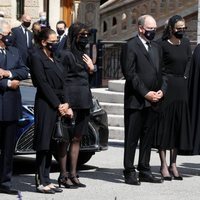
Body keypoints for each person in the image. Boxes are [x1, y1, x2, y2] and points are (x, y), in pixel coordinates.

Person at [121, 14, 166, 185]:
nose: (153, 32)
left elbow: (162, 71)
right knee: (132, 138)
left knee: (147, 137)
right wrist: (145, 92)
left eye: (155, 29)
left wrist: (161, 90)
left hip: (154, 100)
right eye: (150, 29)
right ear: (141, 28)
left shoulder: (156, 47)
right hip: (136, 100)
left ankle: (144, 169)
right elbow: (130, 74)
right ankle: (129, 171)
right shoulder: (130, 46)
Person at [29, 28, 73, 193]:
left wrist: (66, 103)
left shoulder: (56, 58)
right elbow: (42, 83)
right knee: (43, 143)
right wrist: (57, 104)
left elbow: (64, 82)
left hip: (59, 105)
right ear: (43, 42)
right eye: (52, 42)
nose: (55, 44)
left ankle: (48, 178)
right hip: (46, 104)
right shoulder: (36, 57)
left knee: (52, 142)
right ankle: (41, 180)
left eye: (56, 41)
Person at [153, 15, 192, 180]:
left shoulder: (186, 43)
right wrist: (162, 86)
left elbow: (189, 63)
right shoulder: (162, 45)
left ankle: (173, 164)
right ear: (171, 28)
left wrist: (186, 79)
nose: (182, 31)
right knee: (165, 128)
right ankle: (163, 164)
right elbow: (159, 68)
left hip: (181, 89)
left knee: (177, 127)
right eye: (179, 28)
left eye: (184, 28)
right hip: (167, 88)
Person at [57, 22, 94, 188]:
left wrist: (92, 69)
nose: (85, 38)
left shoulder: (84, 54)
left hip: (84, 100)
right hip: (71, 101)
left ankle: (73, 173)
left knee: (77, 138)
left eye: (86, 35)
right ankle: (63, 175)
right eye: (81, 35)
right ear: (74, 36)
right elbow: (62, 80)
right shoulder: (65, 54)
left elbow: (87, 79)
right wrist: (66, 103)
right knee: (65, 139)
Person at [0, 20, 29, 195]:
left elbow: (24, 71)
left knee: (8, 149)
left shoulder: (15, 51)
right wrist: (9, 83)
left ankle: (5, 183)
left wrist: (7, 73)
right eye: (8, 33)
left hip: (11, 107)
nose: (11, 36)